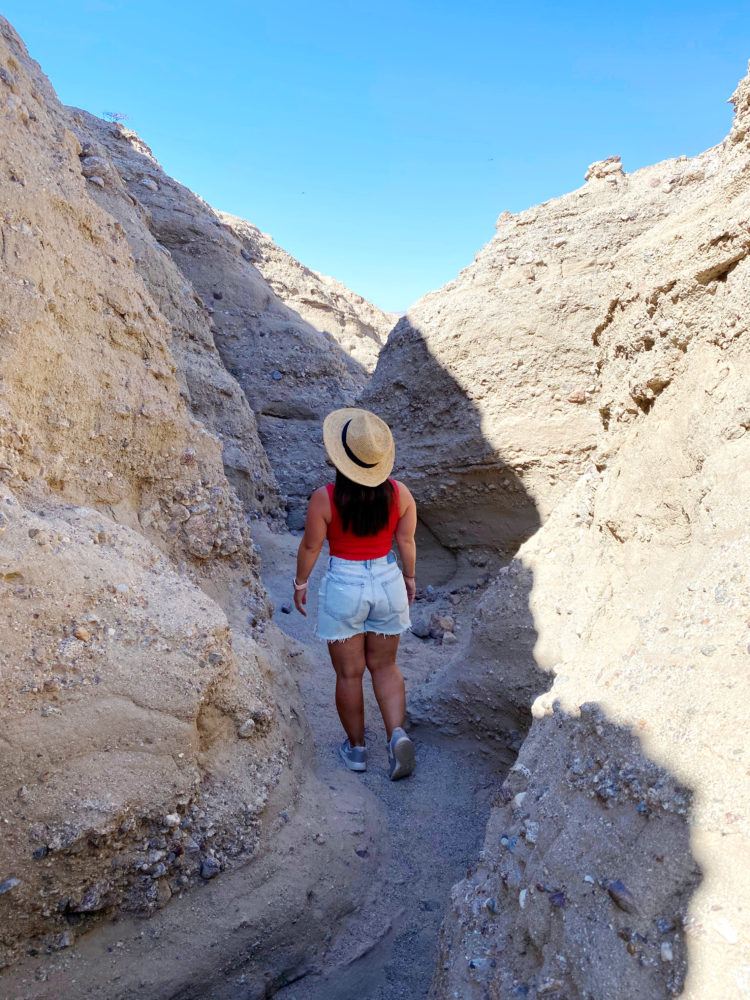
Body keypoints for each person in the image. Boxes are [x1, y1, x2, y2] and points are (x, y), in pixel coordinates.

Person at [293, 407, 417, 780]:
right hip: (387, 580)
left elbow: (311, 547)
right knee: (386, 666)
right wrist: (409, 578)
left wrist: (301, 583)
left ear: (340, 457)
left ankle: (357, 749)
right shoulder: (400, 493)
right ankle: (396, 736)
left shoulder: (325, 498)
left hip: (345, 585)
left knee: (349, 674)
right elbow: (406, 541)